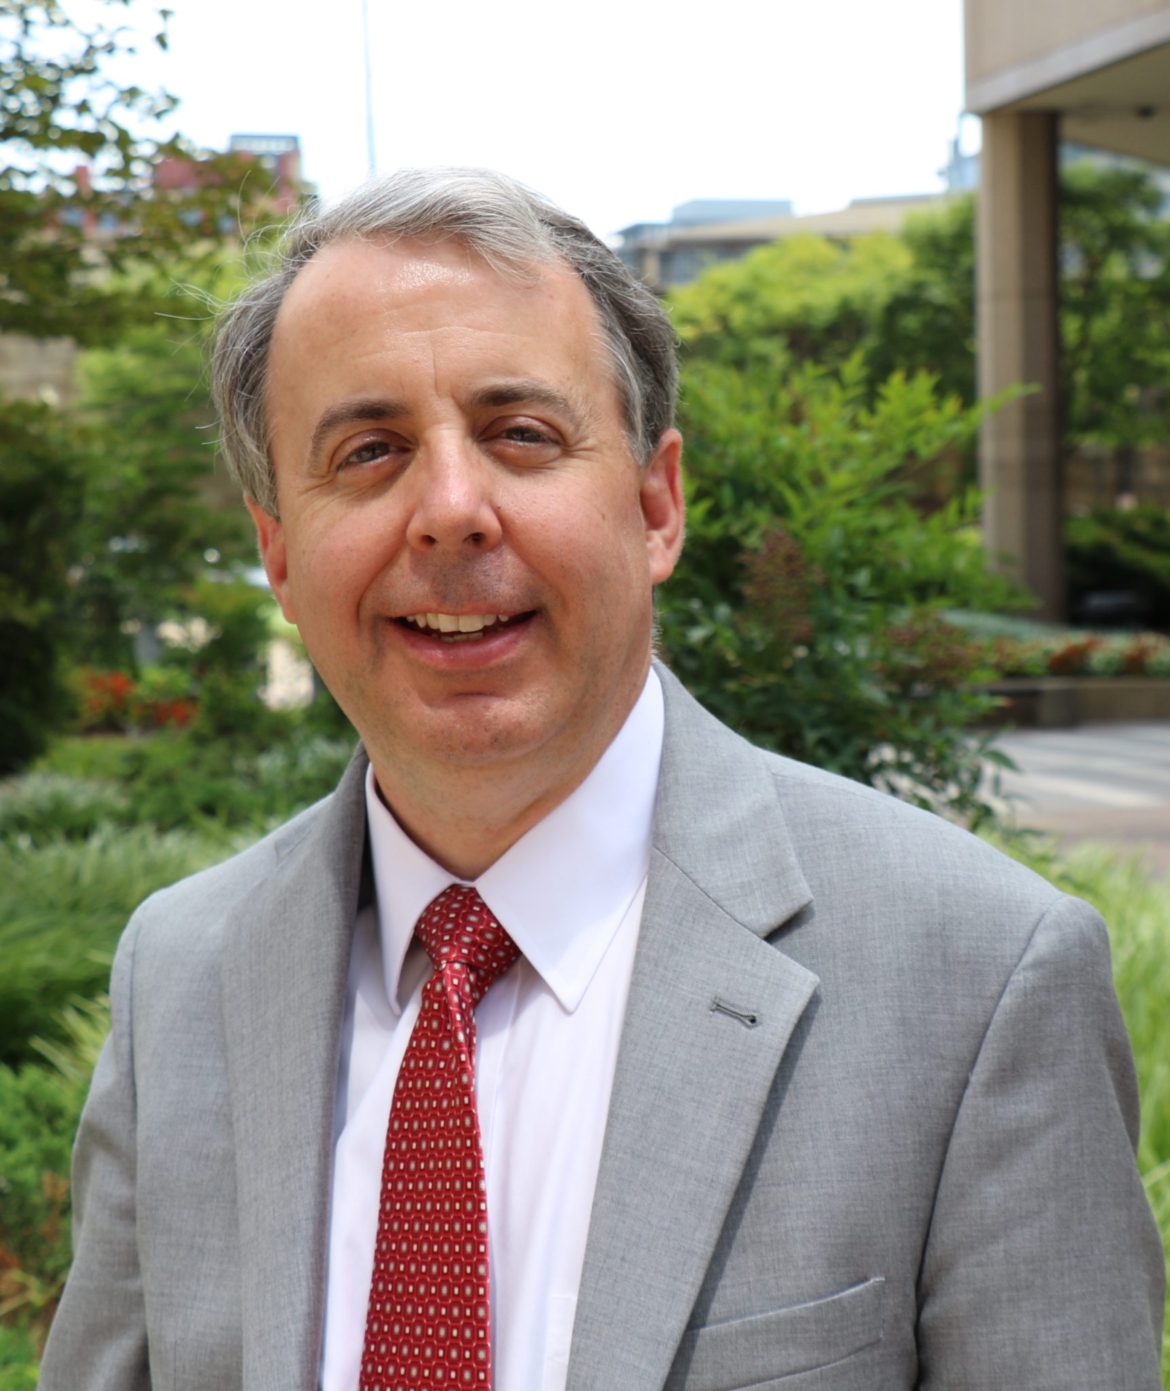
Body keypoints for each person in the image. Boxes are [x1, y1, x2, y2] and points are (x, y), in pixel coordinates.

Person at [41, 168, 1164, 1391]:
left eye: (521, 433)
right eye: (368, 451)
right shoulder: (183, 974)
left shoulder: (980, 976)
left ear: (655, 504)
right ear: (278, 552)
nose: (450, 511)